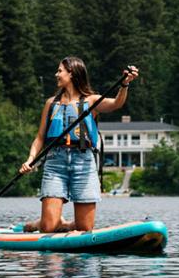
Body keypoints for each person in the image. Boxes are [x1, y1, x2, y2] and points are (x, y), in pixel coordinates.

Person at [20, 57, 138, 234]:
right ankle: (44, 223)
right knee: (48, 228)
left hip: (83, 162)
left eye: (60, 71)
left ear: (72, 73)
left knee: (84, 228)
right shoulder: (51, 103)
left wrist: (125, 84)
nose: (56, 74)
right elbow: (39, 138)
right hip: (55, 162)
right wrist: (30, 160)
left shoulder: (91, 101)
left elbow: (116, 103)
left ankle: (64, 224)